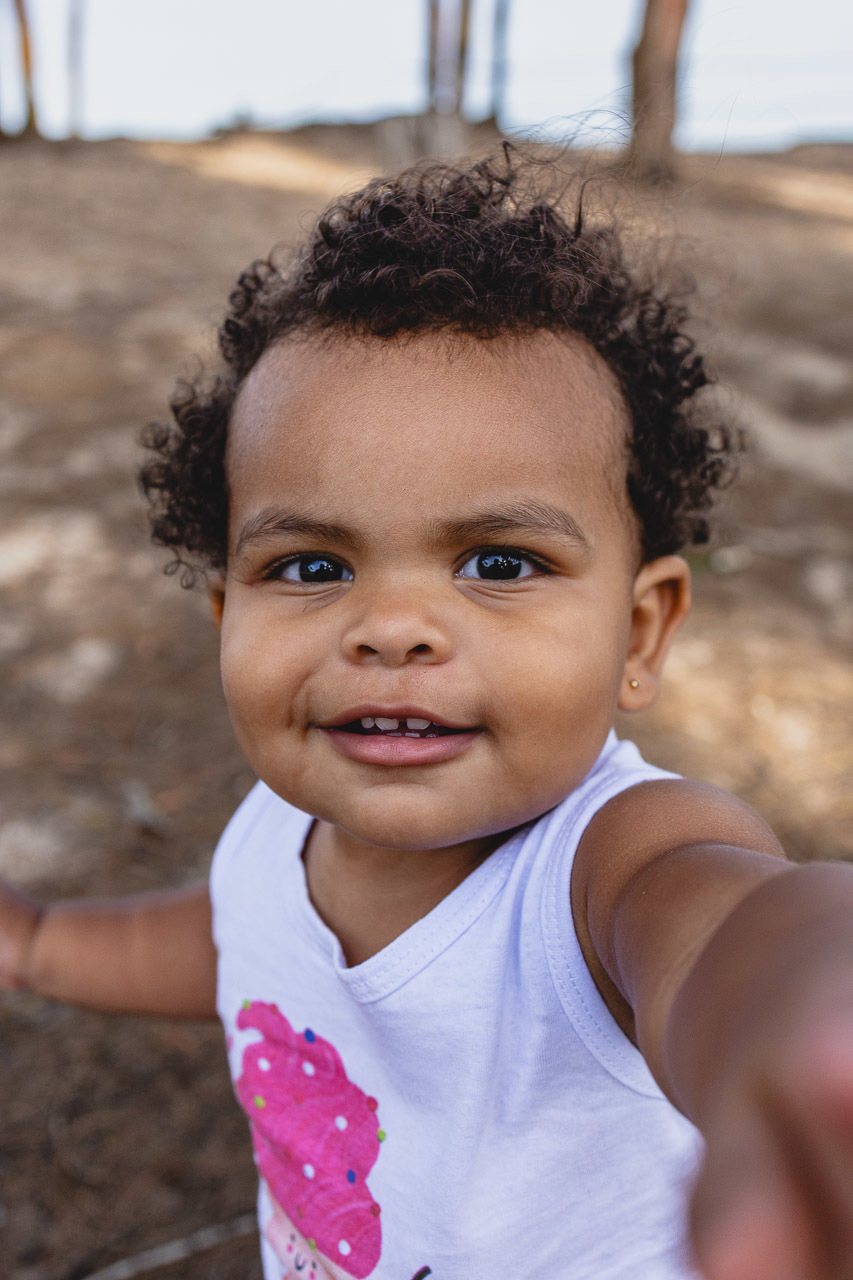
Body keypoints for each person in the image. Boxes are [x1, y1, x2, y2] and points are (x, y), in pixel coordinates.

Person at [2, 149, 852, 1280]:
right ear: (224, 614)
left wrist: (798, 1012)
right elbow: (229, 937)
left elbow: (730, 933)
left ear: (639, 633)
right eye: (309, 568)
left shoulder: (609, 866)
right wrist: (39, 941)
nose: (392, 626)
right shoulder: (276, 822)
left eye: (497, 559)